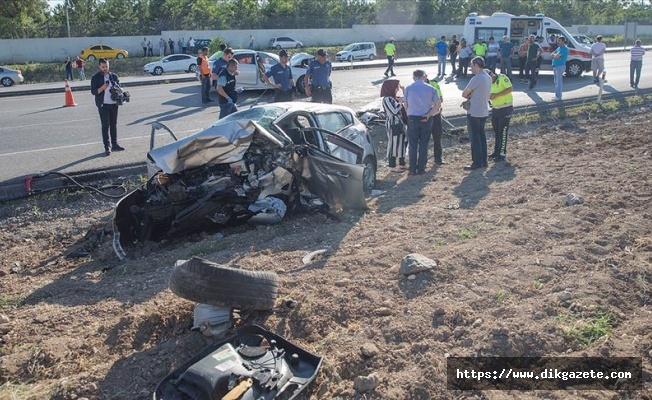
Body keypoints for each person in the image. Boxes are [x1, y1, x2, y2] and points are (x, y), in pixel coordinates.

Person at [403, 69, 441, 176]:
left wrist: (408, 113)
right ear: (424, 76)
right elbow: (438, 105)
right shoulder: (431, 88)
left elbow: (405, 104)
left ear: (413, 77)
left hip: (412, 118)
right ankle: (421, 168)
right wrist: (429, 114)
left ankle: (412, 169)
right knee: (424, 143)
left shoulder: (409, 88)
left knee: (413, 144)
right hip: (426, 118)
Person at [461, 57, 491, 170]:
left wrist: (471, 93)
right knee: (482, 137)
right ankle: (483, 161)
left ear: (476, 66)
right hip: (483, 110)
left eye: (472, 66)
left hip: (474, 112)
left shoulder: (476, 78)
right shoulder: (487, 77)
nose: (470, 68)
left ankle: (477, 162)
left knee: (475, 138)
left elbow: (464, 94)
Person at [90, 58, 125, 156]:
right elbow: (93, 92)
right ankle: (107, 147)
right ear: (99, 67)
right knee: (105, 126)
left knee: (114, 124)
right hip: (103, 105)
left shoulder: (113, 76)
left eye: (106, 66)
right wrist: (102, 88)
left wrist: (119, 90)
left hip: (114, 104)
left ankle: (115, 144)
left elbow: (120, 87)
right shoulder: (95, 77)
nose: (105, 68)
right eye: (103, 67)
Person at [487, 69, 513, 162]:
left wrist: (496, 95)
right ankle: (496, 151)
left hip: (505, 108)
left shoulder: (502, 78)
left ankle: (502, 154)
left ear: (491, 75)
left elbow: (510, 89)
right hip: (495, 109)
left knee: (503, 132)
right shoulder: (489, 83)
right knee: (496, 131)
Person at [380, 79, 407, 169]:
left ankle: (402, 162)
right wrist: (401, 102)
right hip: (393, 124)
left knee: (402, 142)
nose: (397, 89)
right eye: (396, 88)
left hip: (399, 123)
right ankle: (392, 164)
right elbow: (394, 110)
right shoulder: (387, 99)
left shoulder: (392, 98)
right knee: (393, 143)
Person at [425, 74, 445, 165]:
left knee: (437, 138)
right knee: (424, 139)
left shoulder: (434, 83)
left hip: (436, 115)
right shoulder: (418, 87)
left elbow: (440, 99)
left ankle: (438, 159)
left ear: (426, 76)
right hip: (425, 116)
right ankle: (423, 160)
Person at [550, 36, 568, 101]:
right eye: (558, 40)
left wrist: (555, 56)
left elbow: (556, 56)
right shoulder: (558, 48)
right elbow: (551, 54)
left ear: (563, 41)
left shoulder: (565, 49)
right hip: (555, 66)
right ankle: (557, 95)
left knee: (558, 82)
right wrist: (556, 56)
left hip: (560, 66)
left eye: (559, 41)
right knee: (556, 81)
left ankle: (558, 96)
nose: (558, 42)